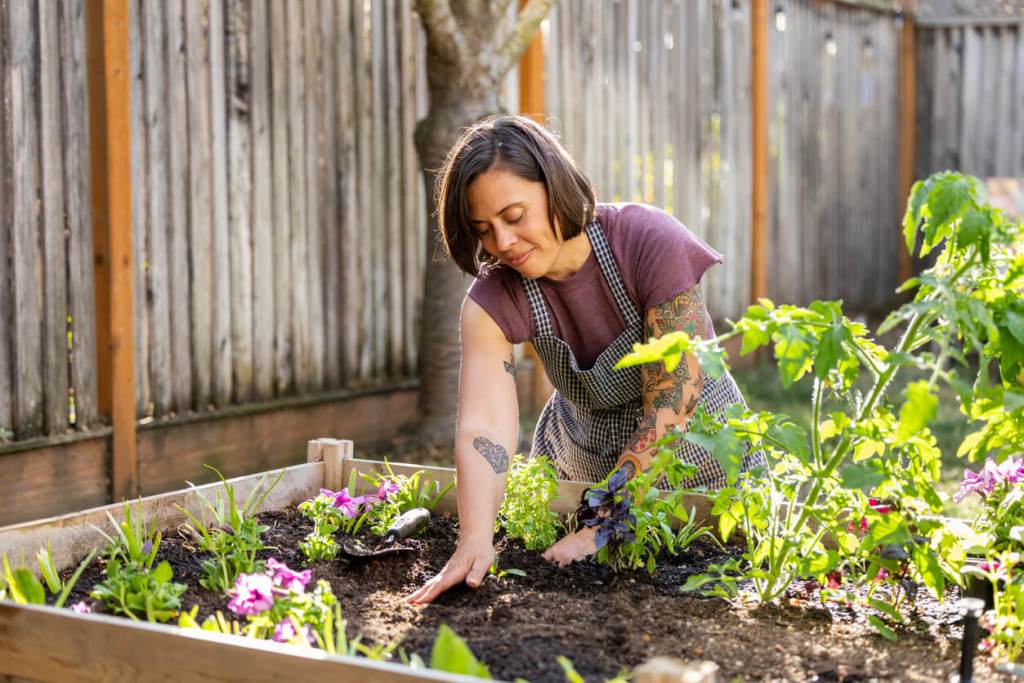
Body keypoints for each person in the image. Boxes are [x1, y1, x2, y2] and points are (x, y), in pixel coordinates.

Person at [407, 115, 763, 605]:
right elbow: (485, 426)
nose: (502, 244)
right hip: (580, 456)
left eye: (514, 217)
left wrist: (604, 523)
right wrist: (475, 538)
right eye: (483, 229)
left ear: (554, 188)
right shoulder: (492, 300)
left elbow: (672, 403)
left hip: (700, 458)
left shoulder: (647, 241)